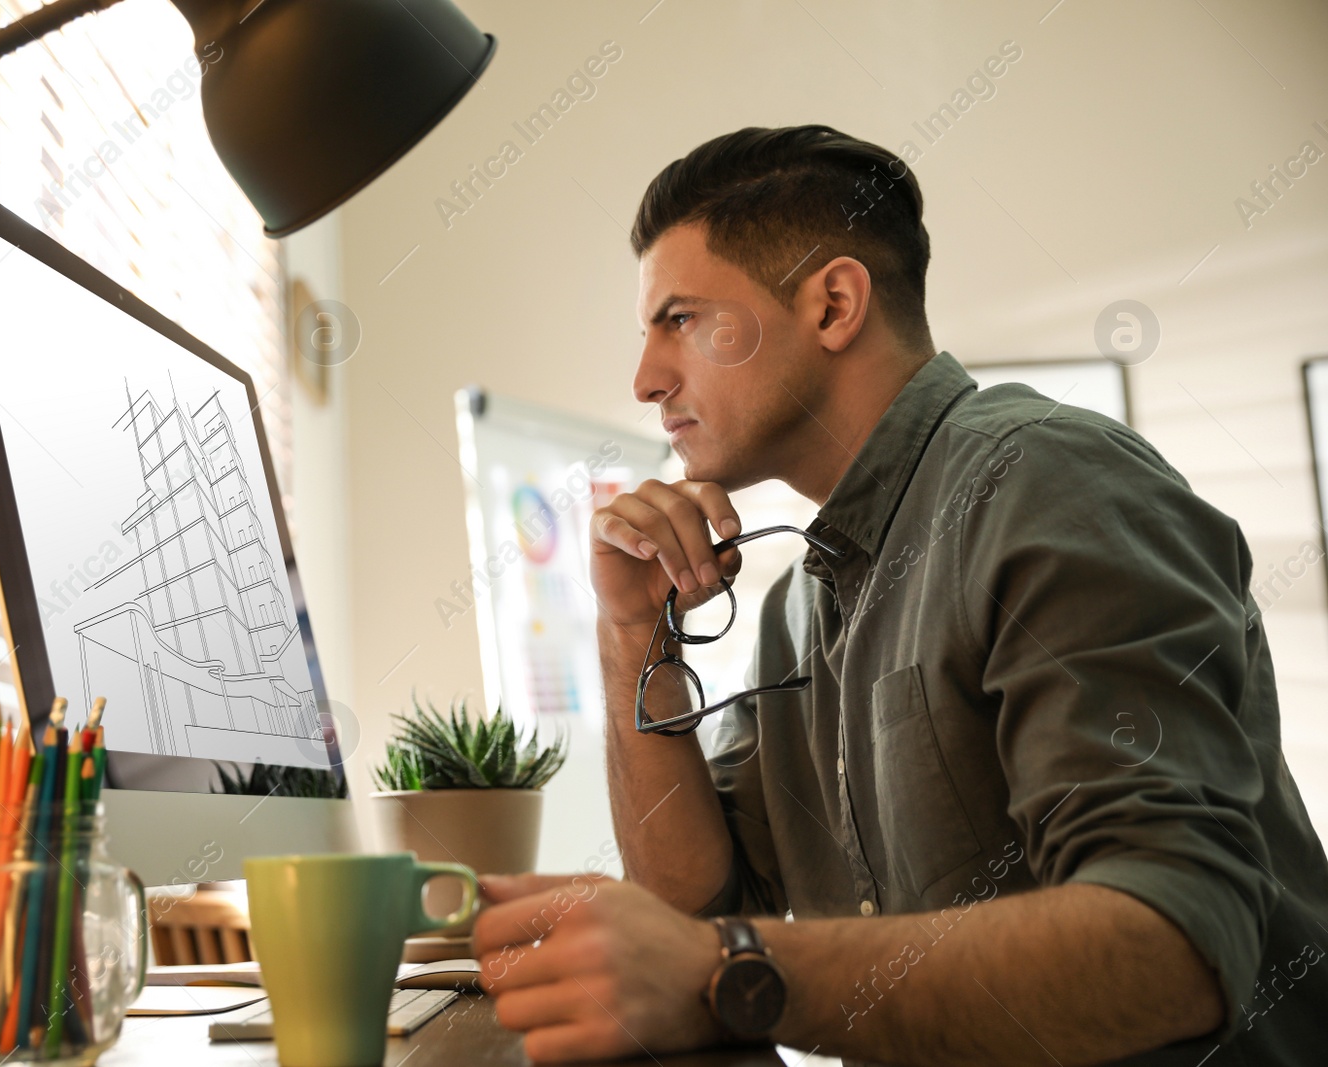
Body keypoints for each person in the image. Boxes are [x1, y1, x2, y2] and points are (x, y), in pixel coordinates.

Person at [469, 126, 1328, 1066]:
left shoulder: (1046, 479)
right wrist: (633, 628)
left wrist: (732, 968)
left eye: (678, 319)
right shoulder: (797, 603)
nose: (645, 379)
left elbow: (1175, 946)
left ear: (834, 304)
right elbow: (697, 904)